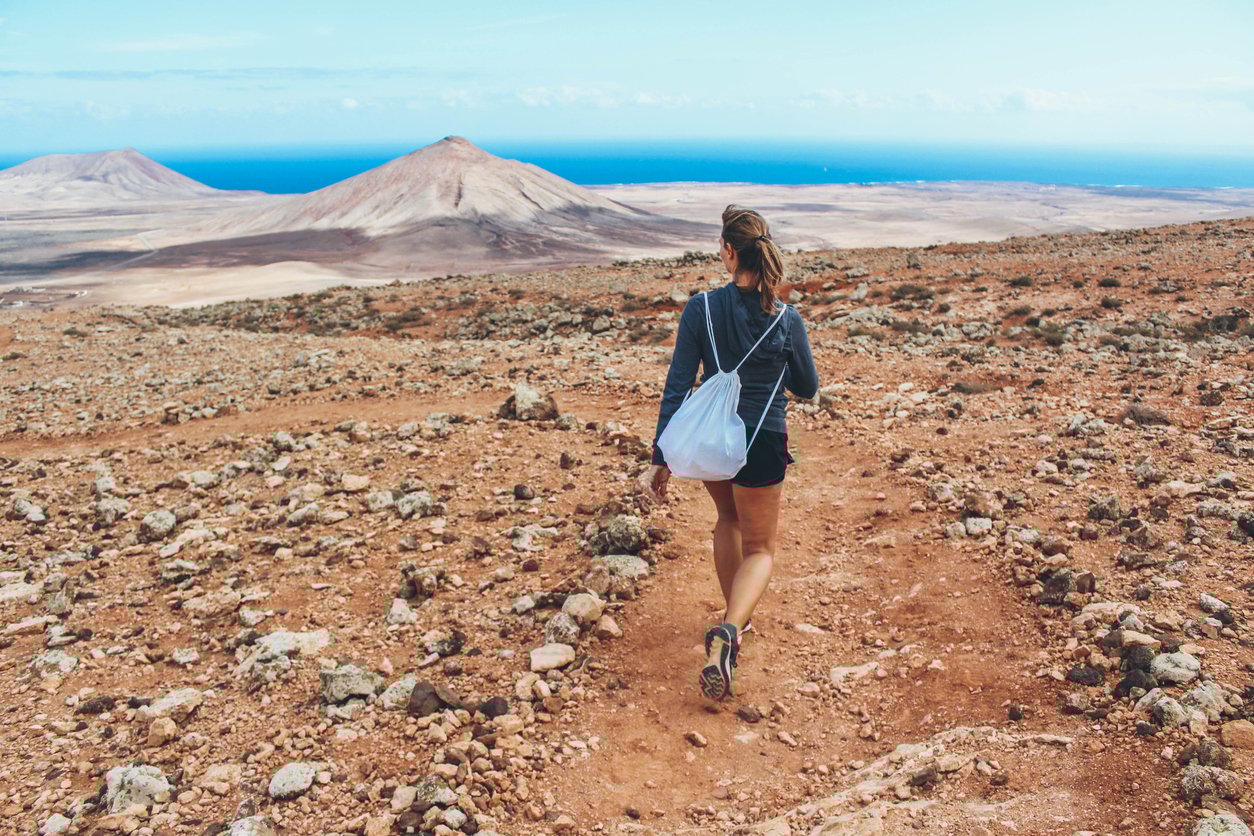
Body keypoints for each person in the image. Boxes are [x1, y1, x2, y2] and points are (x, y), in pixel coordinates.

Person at [639, 204, 819, 700]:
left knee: (728, 522)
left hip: (714, 438)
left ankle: (733, 626)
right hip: (764, 437)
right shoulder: (786, 318)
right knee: (761, 547)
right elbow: (806, 386)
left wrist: (661, 457)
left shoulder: (699, 308)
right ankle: (730, 629)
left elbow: (677, 385)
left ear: (727, 250)